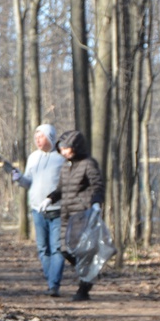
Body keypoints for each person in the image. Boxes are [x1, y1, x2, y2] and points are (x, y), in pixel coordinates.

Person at [46, 129, 104, 302]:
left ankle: (84, 290)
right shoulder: (66, 166)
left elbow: (97, 185)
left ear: (76, 147)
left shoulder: (88, 163)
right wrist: (50, 198)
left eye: (66, 148)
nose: (63, 152)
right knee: (64, 250)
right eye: (61, 149)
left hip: (82, 213)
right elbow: (62, 188)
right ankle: (89, 272)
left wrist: (95, 203)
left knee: (82, 251)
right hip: (66, 213)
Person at [10, 124, 66, 295]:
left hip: (58, 210)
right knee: (43, 248)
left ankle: (54, 284)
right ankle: (51, 281)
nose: (37, 140)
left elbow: (67, 184)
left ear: (50, 137)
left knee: (57, 248)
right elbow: (29, 182)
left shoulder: (61, 158)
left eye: (41, 136)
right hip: (37, 210)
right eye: (36, 137)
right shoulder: (33, 157)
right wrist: (19, 178)